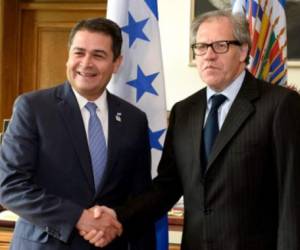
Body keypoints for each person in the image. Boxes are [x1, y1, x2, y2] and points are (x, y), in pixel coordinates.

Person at [85, 9, 300, 250]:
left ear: (243, 51)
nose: (208, 56)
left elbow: (293, 194)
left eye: (220, 45)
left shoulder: (280, 105)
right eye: (200, 47)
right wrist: (118, 217)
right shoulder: (184, 111)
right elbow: (167, 186)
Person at [0, 17, 156, 250]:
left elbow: (139, 197)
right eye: (79, 53)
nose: (86, 63)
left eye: (98, 55)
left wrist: (116, 222)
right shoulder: (33, 108)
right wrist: (78, 217)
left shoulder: (134, 119)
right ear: (68, 56)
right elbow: (10, 185)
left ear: (117, 63)